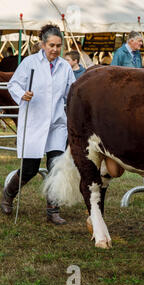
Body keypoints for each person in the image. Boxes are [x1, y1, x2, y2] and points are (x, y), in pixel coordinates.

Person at [2, 24, 76, 225]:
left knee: (56, 167)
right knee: (30, 169)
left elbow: (72, 93)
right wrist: (22, 94)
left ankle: (53, 211)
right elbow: (13, 84)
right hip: (34, 122)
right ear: (43, 44)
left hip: (56, 124)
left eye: (58, 45)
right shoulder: (30, 63)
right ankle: (8, 195)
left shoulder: (65, 67)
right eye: (51, 45)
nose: (55, 49)